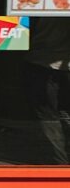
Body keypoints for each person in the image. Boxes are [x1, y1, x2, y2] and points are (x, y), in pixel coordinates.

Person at [23, 17, 70, 164]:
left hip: (40, 60)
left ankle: (59, 162)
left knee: (49, 116)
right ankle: (60, 162)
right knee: (57, 114)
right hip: (43, 60)